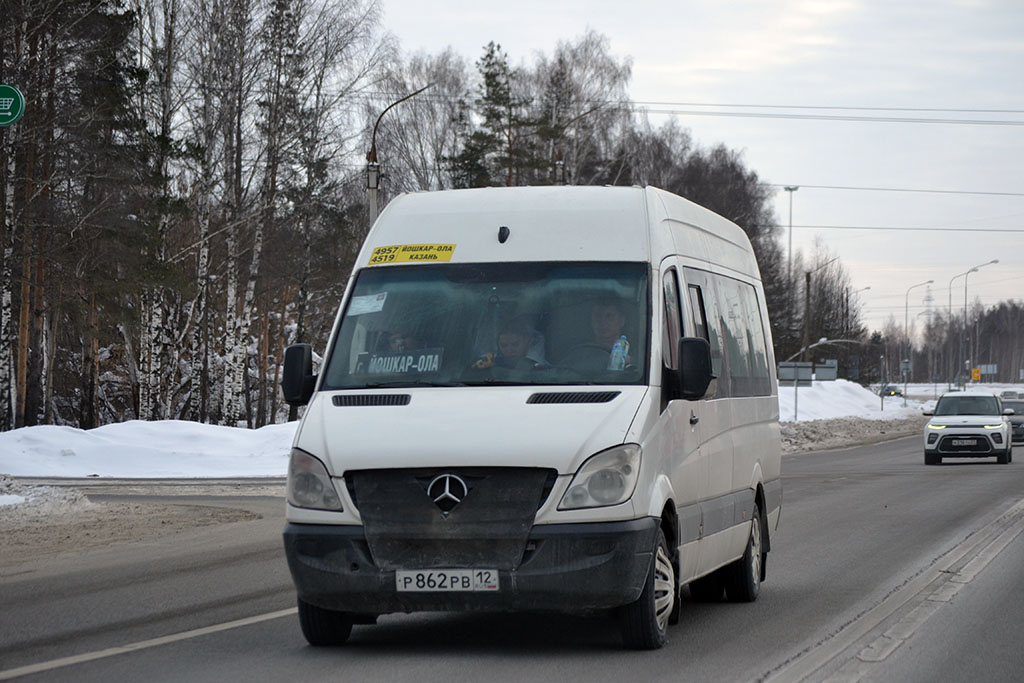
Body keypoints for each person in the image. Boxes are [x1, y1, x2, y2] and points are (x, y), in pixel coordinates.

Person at [473, 317, 545, 370]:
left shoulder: (541, 368)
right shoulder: (487, 362)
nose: (509, 350)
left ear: (527, 341)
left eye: (515, 344)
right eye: (504, 345)